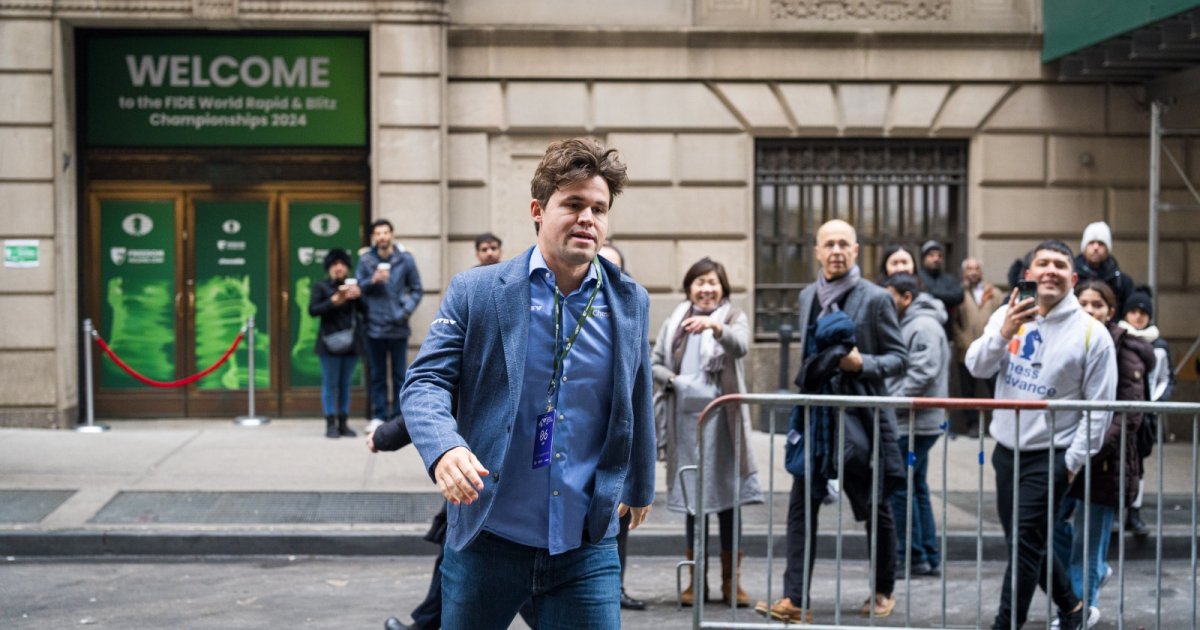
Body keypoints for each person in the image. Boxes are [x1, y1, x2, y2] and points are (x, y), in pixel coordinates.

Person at [400, 137, 655, 629]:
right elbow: (425, 381)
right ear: (538, 211)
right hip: (489, 537)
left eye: (599, 209)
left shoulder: (630, 300)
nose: (587, 218)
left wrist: (640, 483)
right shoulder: (477, 291)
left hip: (585, 546)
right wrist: (444, 447)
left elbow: (636, 393)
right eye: (573, 204)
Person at [756, 219, 907, 623]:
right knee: (800, 508)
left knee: (874, 507)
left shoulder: (876, 298)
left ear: (856, 251)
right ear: (817, 252)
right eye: (829, 244)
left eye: (844, 244)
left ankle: (883, 589)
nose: (836, 251)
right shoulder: (808, 295)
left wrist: (862, 364)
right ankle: (795, 599)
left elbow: (899, 358)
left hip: (861, 421)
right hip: (816, 422)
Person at [965, 239, 1117, 630]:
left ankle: (1006, 624)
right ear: (1029, 274)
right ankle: (1072, 608)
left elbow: (1099, 409)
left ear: (1073, 278)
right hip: (1006, 450)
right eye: (1043, 263)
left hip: (1052, 454)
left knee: (1024, 546)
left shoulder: (1092, 334)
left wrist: (1071, 463)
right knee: (1025, 542)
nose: (1051, 271)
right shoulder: (1008, 314)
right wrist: (1003, 333)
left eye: (1060, 265)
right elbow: (977, 367)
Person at [652, 257, 763, 608]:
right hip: (686, 422)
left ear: (723, 287)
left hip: (724, 422)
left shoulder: (733, 317)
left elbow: (740, 346)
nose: (706, 289)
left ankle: (731, 582)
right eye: (699, 282)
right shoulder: (675, 321)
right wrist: (675, 381)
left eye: (712, 282)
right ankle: (695, 580)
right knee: (693, 502)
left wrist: (714, 328)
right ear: (689, 288)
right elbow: (654, 363)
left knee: (728, 501)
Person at [1050, 279, 1155, 629]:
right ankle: (1095, 571)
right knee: (1045, 525)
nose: (1089, 310)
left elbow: (1127, 415)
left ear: (1111, 311)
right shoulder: (1068, 339)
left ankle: (1080, 611)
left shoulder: (1125, 349)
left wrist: (1087, 448)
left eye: (1097, 304)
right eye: (1083, 303)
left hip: (1104, 461)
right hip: (1068, 455)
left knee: (1087, 540)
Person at [881, 272, 949, 579]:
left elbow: (923, 372)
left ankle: (910, 555)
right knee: (914, 486)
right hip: (915, 421)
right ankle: (925, 555)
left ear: (906, 298)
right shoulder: (914, 323)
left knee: (899, 488)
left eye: (890, 297)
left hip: (914, 423)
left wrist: (892, 401)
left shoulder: (922, 326)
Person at [595, 239, 646, 612]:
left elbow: (639, 393)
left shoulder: (631, 312)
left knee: (619, 517)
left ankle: (615, 587)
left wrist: (641, 480)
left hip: (614, 443)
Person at [1117, 287, 1174, 536]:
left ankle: (1134, 513)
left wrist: (1155, 403)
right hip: (1120, 412)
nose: (1138, 317)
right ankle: (1115, 511)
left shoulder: (1159, 346)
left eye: (1143, 312)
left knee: (1137, 465)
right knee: (1116, 464)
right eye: (1133, 311)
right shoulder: (1117, 338)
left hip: (1145, 415)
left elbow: (1166, 379)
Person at [357, 219, 424, 432]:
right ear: (373, 237)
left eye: (386, 232)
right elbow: (358, 289)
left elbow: (417, 289)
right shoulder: (366, 260)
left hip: (398, 325)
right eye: (378, 233)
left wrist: (405, 312)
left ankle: (398, 417)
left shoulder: (405, 259)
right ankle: (378, 415)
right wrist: (372, 280)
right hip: (373, 325)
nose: (382, 237)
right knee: (377, 374)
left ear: (392, 235)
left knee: (399, 375)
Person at [308, 249, 365, 439]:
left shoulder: (353, 287)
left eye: (342, 264)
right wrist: (333, 301)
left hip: (351, 343)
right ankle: (330, 423)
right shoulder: (321, 287)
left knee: (345, 384)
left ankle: (343, 423)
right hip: (328, 343)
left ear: (347, 267)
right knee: (330, 384)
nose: (339, 268)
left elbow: (366, 311)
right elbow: (313, 310)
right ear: (328, 268)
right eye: (334, 264)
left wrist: (358, 296)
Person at [951, 257, 1005, 438]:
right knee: (968, 392)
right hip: (965, 351)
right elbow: (954, 323)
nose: (973, 272)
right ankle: (972, 425)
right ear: (964, 273)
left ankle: (999, 424)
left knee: (995, 389)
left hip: (992, 351)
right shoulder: (958, 294)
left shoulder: (994, 293)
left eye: (976, 269)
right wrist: (962, 341)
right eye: (969, 269)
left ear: (981, 272)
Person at [1074, 221, 1135, 318]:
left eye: (1101, 243)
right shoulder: (1071, 278)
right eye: (1091, 243)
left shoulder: (1121, 281)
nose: (1096, 247)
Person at [917, 240, 964, 316]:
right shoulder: (917, 277)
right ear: (923, 259)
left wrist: (930, 292)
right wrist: (945, 295)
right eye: (931, 255)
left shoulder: (949, 279)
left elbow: (958, 296)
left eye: (939, 256)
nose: (936, 259)